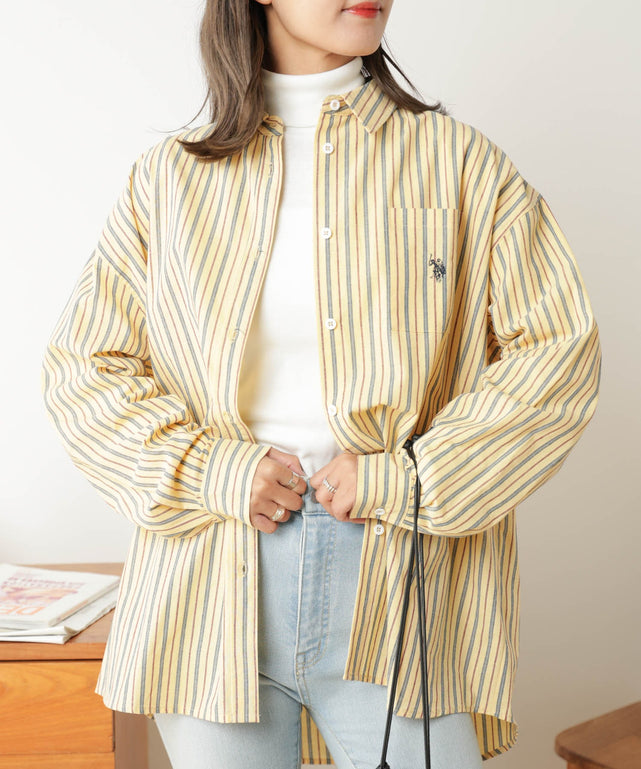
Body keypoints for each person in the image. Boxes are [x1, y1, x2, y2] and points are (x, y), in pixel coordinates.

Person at [41, 0, 601, 767]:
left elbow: (557, 351)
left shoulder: (460, 163)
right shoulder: (170, 179)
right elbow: (85, 365)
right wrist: (210, 469)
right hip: (208, 583)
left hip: (397, 577)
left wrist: (411, 477)